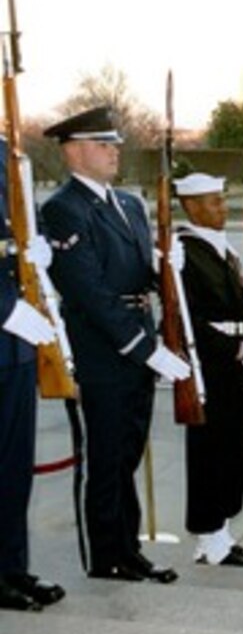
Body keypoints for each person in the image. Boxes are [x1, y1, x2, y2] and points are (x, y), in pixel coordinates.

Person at [42, 106, 188, 584]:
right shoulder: (64, 209)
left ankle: (129, 548)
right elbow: (88, 291)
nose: (113, 152)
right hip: (101, 350)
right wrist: (143, 348)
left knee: (128, 451)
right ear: (73, 151)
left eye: (114, 144)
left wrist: (169, 266)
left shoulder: (128, 204)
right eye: (103, 145)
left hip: (137, 340)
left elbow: (141, 275)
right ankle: (106, 555)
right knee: (105, 457)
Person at [174, 173, 243, 568]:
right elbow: (187, 319)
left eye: (222, 200)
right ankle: (209, 535)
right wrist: (240, 350)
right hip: (211, 364)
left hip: (234, 364)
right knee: (210, 451)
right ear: (191, 207)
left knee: (232, 448)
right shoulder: (184, 251)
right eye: (213, 202)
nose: (222, 208)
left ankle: (220, 534)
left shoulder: (220, 248)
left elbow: (229, 305)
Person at [0, 140, 66, 611]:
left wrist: (37, 256)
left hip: (16, 344)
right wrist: (6, 310)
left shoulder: (7, 151)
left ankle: (11, 567)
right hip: (7, 321)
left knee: (14, 465)